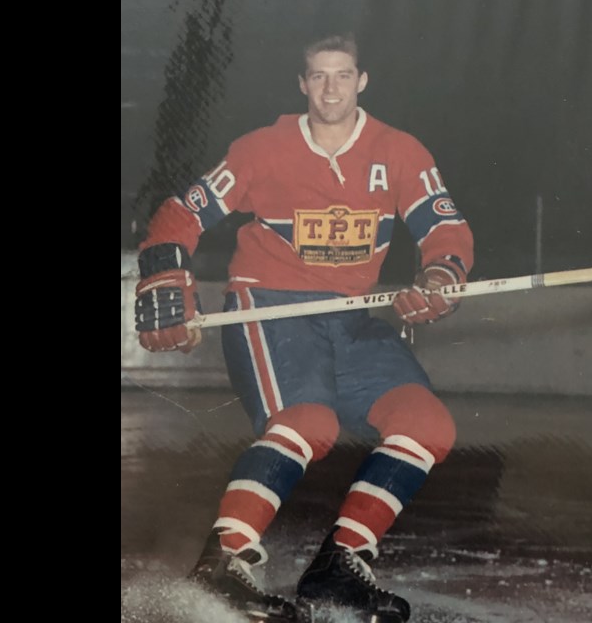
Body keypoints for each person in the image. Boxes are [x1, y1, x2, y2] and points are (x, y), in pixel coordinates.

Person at [134, 33, 474, 622]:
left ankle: (339, 565)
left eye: (342, 75)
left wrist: (441, 275)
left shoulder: (400, 151)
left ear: (362, 80)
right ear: (302, 83)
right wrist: (166, 268)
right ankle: (225, 561)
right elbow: (182, 213)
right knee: (307, 421)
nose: (331, 88)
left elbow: (446, 230)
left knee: (427, 425)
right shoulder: (261, 149)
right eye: (318, 76)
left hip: (350, 315)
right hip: (269, 308)